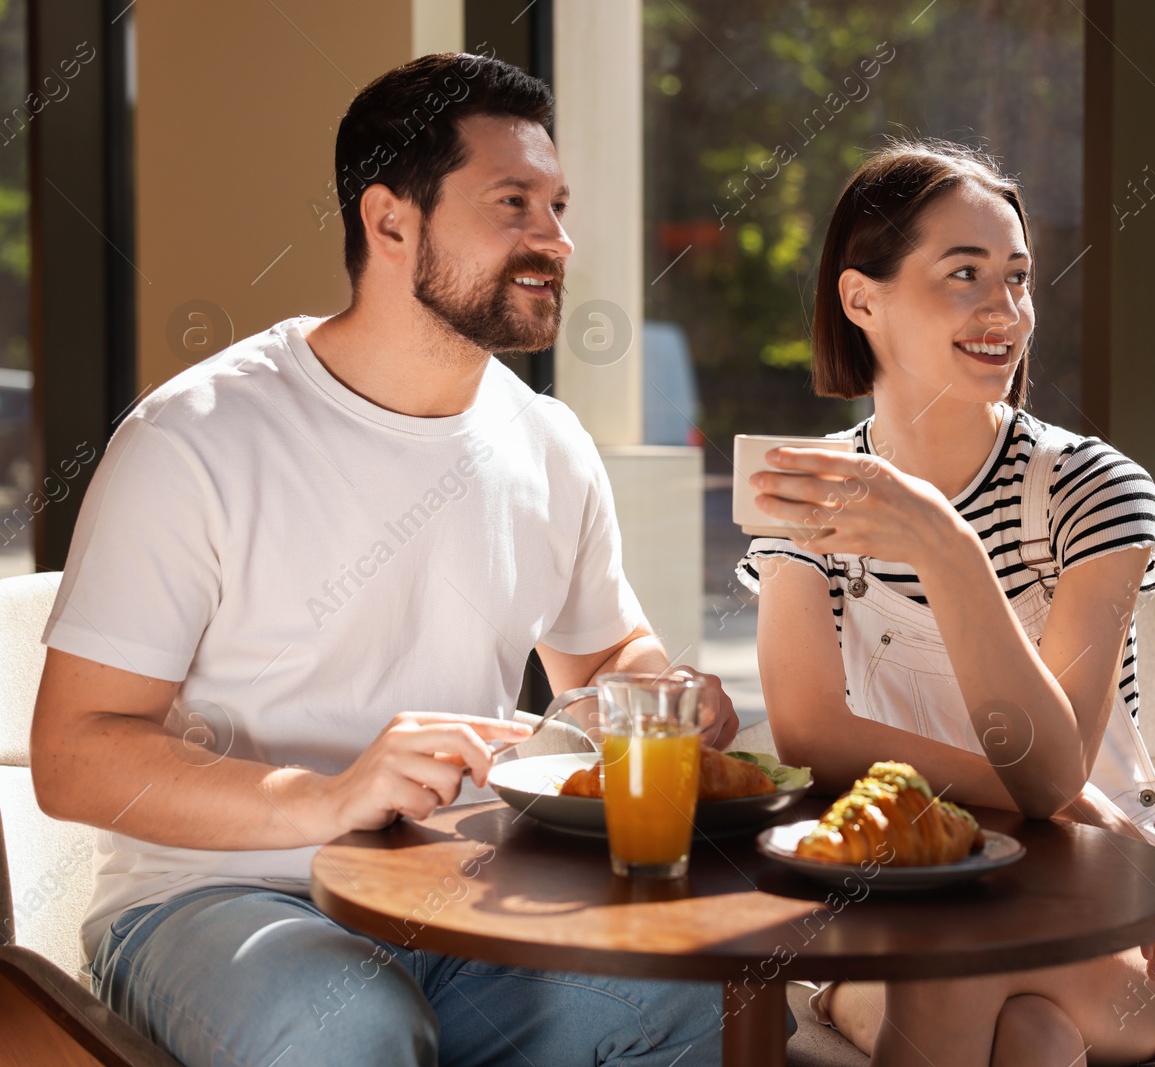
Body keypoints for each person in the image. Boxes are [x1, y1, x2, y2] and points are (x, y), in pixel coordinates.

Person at [30, 53, 739, 1067]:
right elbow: (74, 752)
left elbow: (607, 651)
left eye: (558, 204)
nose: (555, 239)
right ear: (390, 221)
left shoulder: (547, 442)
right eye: (513, 204)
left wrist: (662, 693)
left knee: (696, 1005)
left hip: (456, 900)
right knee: (348, 1033)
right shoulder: (197, 437)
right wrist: (327, 797)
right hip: (216, 900)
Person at [737, 140, 1155, 1066]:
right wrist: (1083, 807)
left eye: (1019, 278)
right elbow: (809, 735)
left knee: (957, 965)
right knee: (1028, 1039)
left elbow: (1047, 768)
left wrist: (945, 544)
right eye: (965, 274)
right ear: (861, 298)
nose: (1005, 310)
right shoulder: (805, 493)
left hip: (1112, 912)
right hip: (902, 898)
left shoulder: (1095, 489)